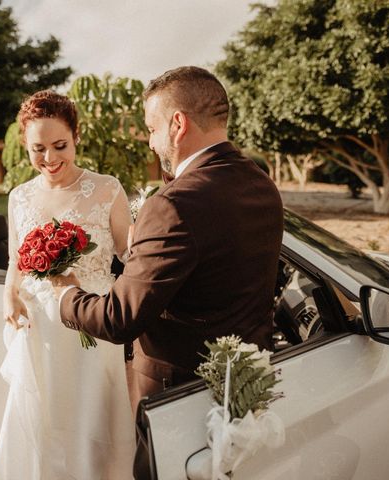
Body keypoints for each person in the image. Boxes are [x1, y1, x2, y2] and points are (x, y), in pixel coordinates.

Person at [54, 66, 283, 476]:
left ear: (178, 124)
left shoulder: (174, 203)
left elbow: (120, 318)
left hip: (179, 392)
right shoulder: (260, 183)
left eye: (151, 127)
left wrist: (65, 295)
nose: (149, 139)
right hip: (246, 385)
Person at [0, 90, 135, 480]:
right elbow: (15, 260)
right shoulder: (19, 197)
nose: (50, 159)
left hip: (93, 327)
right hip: (41, 330)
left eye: (60, 146)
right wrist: (9, 296)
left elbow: (130, 252)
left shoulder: (106, 189)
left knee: (92, 419)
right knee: (45, 420)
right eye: (38, 149)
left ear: (76, 137)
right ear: (25, 146)